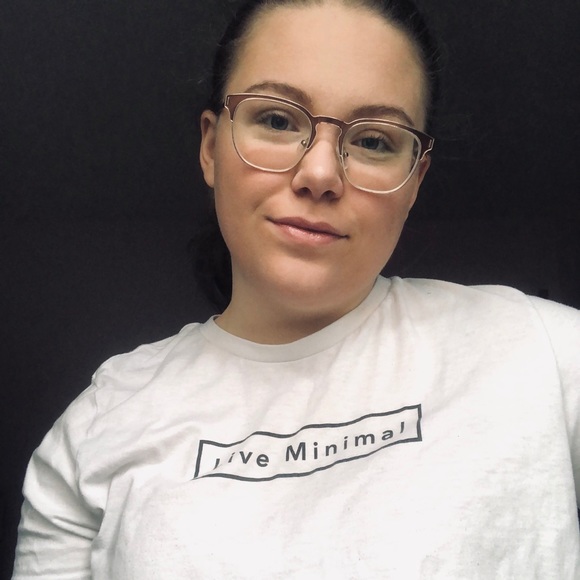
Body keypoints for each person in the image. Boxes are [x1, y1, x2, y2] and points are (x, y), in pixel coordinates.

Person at [12, 0, 580, 578]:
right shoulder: (103, 422)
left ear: (414, 181)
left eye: (374, 141)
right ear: (211, 147)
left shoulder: (542, 353)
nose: (320, 175)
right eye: (278, 121)